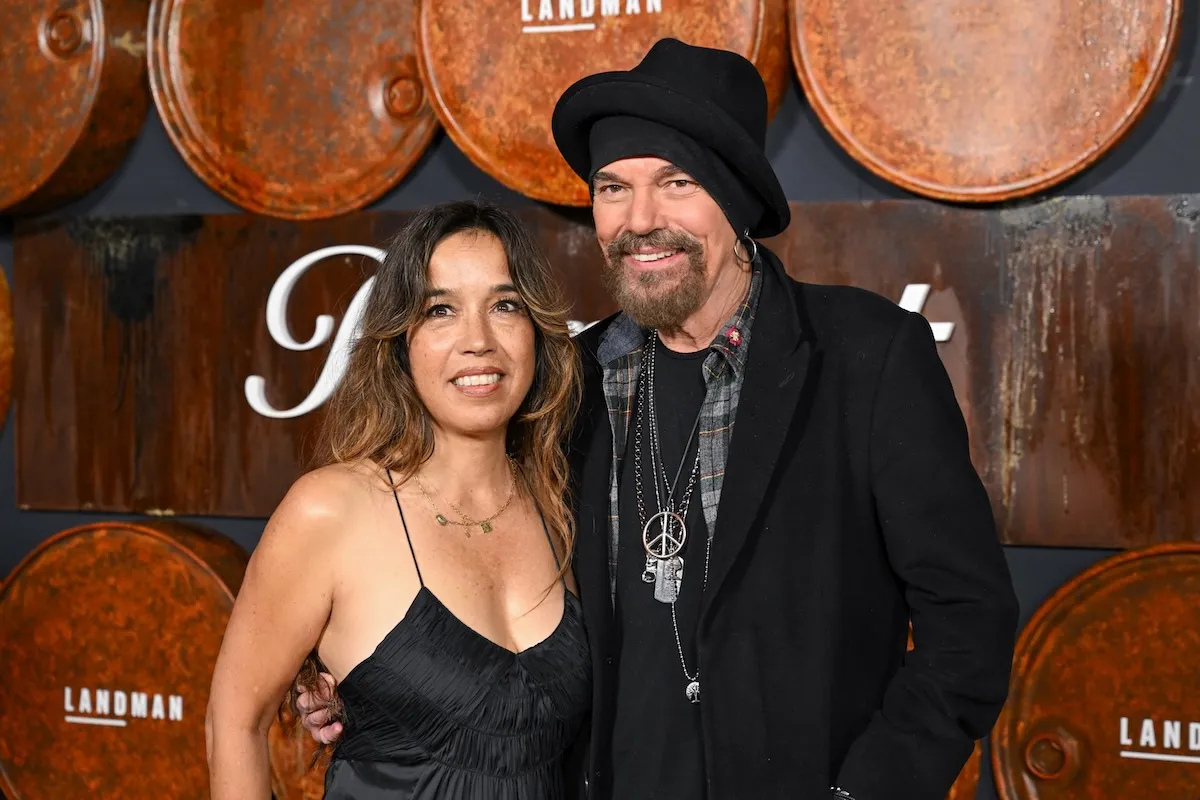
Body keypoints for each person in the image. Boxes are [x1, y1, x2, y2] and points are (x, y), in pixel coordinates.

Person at [300, 38, 1021, 800]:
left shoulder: (865, 358)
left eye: (677, 182)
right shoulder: (566, 380)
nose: (640, 220)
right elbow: (463, 547)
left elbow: (969, 623)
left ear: (737, 199)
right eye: (613, 188)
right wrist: (366, 676)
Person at [205, 200, 591, 799]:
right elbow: (234, 724)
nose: (478, 341)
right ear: (400, 344)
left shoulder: (563, 507)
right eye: (440, 310)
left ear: (537, 333)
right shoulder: (332, 510)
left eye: (505, 305)